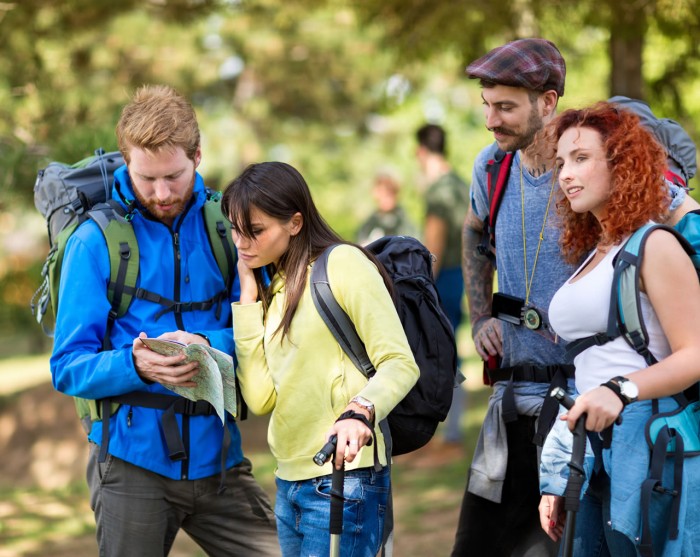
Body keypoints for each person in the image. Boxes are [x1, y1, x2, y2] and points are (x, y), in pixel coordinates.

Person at [50, 85, 280, 556]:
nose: (160, 193)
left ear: (198, 156)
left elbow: (268, 328)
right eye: (145, 178)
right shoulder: (94, 242)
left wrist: (204, 341)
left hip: (220, 458)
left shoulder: (229, 224)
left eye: (173, 176)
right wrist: (136, 366)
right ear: (126, 162)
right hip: (131, 465)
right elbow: (68, 365)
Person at [221, 161, 419, 557]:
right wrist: (246, 300)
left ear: (294, 223)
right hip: (288, 481)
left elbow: (400, 362)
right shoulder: (274, 290)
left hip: (347, 478)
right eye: (235, 230)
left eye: (255, 231)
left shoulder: (342, 264)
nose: (241, 243)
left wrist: (361, 409)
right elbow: (259, 399)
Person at [538, 102, 700, 555]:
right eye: (561, 163)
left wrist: (621, 390)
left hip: (652, 449)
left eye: (581, 158)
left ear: (622, 163)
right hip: (589, 452)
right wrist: (558, 472)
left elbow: (694, 354)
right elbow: (587, 371)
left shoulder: (655, 244)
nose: (566, 174)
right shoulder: (596, 252)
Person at [453, 38, 575, 556]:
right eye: (487, 105)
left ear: (547, 103)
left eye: (505, 107)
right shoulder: (491, 166)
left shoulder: (586, 166)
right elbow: (474, 235)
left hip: (575, 407)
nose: (490, 120)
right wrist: (481, 316)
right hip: (507, 403)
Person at [415, 123, 470, 444]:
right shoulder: (460, 184)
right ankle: (453, 426)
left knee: (437, 352)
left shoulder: (438, 190)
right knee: (449, 349)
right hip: (460, 274)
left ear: (421, 151)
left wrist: (422, 286)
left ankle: (447, 430)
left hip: (442, 276)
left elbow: (433, 245)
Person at [356, 166, 418, 245]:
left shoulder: (406, 225)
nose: (386, 195)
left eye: (390, 190)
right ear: (374, 192)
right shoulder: (368, 225)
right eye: (381, 190)